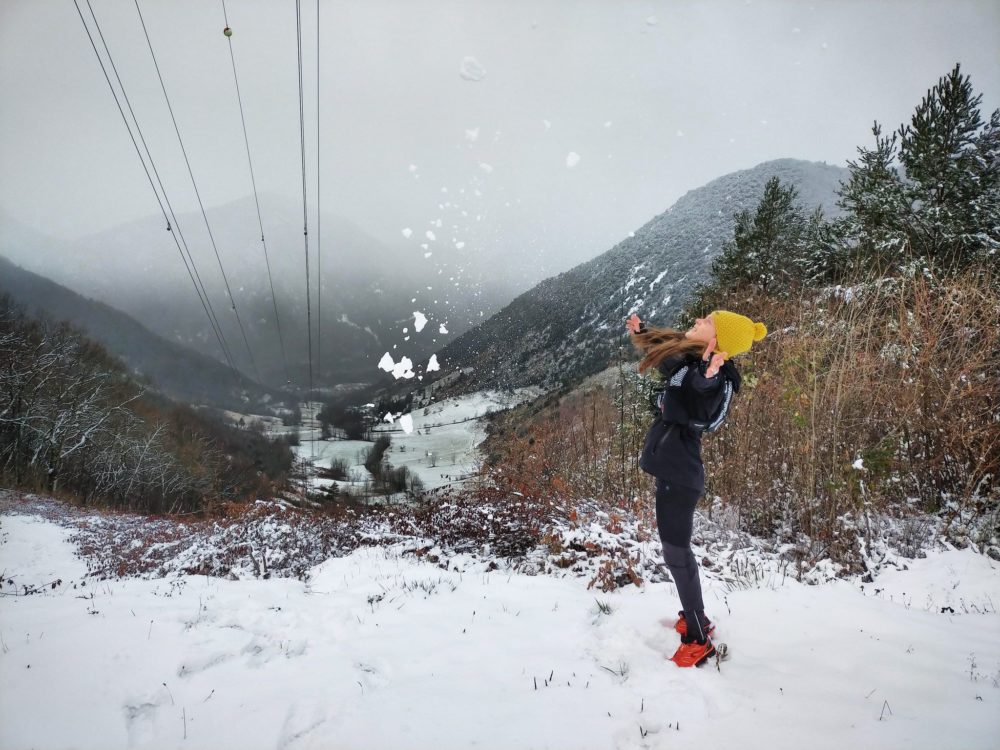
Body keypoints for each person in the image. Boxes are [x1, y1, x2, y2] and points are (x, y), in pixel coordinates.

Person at [626, 310, 766, 667]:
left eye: (708, 321)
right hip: (676, 472)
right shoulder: (689, 365)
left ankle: (698, 639)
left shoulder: (711, 377)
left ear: (717, 341)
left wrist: (707, 374)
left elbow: (703, 398)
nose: (700, 319)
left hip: (680, 476)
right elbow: (670, 360)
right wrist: (643, 332)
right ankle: (696, 617)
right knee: (677, 552)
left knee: (676, 554)